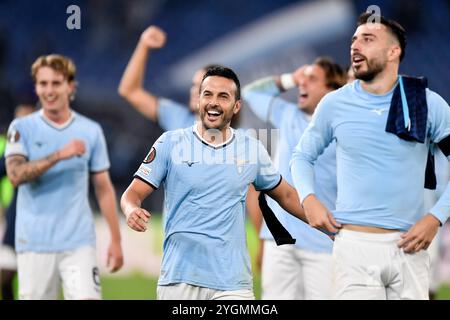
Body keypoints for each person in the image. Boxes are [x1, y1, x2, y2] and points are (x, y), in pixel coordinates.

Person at [291, 13, 450, 300]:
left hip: (410, 247)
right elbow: (302, 155)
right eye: (354, 39)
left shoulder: (425, 101)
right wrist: (308, 198)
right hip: (354, 247)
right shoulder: (335, 103)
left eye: (367, 39)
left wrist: (436, 217)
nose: (355, 46)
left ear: (393, 51)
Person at [121, 66, 307, 300]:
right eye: (207, 94)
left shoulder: (251, 148)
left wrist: (327, 224)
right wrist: (131, 210)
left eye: (223, 96)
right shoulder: (170, 142)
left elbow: (287, 196)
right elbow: (132, 194)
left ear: (236, 106)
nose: (214, 102)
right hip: (179, 278)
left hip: (232, 283)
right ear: (198, 100)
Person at [118, 25, 263, 265]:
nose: (195, 92)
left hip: (224, 254)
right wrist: (143, 46)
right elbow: (129, 90)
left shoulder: (243, 139)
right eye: (195, 86)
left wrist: (262, 242)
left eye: (202, 87)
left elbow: (254, 197)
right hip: (180, 251)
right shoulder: (177, 122)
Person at [4, 54, 124, 300]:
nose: (49, 90)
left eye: (56, 83)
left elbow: (103, 187)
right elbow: (15, 175)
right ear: (36, 87)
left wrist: (116, 239)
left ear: (70, 86)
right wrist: (59, 155)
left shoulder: (91, 131)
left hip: (79, 243)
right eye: (43, 83)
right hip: (34, 243)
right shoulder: (21, 128)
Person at [242, 58, 346, 299]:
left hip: (324, 242)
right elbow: (250, 93)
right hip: (280, 240)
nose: (303, 84)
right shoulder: (287, 114)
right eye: (303, 78)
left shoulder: (345, 129)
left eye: (312, 79)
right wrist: (290, 78)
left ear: (331, 90)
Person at [0, 104, 36, 300]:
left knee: (34, 285)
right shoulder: (13, 152)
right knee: (5, 275)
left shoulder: (46, 147)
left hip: (39, 224)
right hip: (15, 221)